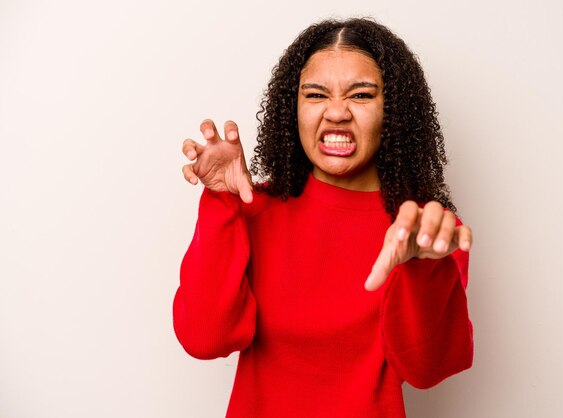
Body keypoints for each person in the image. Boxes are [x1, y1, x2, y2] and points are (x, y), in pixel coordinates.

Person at [173, 17, 474, 418]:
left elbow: (428, 369)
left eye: (361, 95)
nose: (336, 112)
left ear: (394, 110)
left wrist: (424, 269)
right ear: (292, 107)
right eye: (315, 95)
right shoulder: (255, 211)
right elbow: (204, 339)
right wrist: (220, 200)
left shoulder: (424, 232)